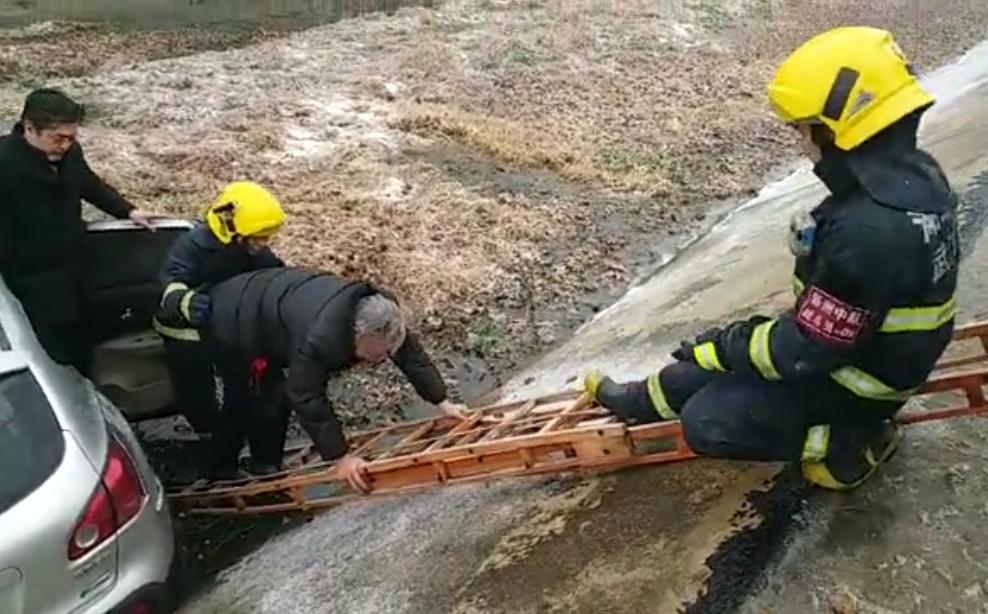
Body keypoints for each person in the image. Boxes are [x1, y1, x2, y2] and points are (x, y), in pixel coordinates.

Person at [584, 26, 959, 490]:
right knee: (711, 365)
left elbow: (803, 351)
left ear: (838, 129)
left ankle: (852, 439)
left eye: (803, 129)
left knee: (710, 421)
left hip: (862, 381)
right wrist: (725, 351)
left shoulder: (869, 231)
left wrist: (725, 345)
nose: (802, 143)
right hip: (869, 352)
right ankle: (641, 400)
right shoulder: (914, 181)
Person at [202, 267, 467, 488]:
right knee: (254, 395)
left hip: (275, 305)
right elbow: (306, 395)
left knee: (274, 395)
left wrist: (442, 402)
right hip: (233, 319)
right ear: (360, 334)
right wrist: (340, 457)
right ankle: (223, 470)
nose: (385, 357)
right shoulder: (321, 338)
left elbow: (411, 355)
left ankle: (266, 465)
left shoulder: (383, 314)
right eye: (381, 352)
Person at [0, 88, 156, 374]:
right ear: (29, 128)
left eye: (71, 137)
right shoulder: (4, 163)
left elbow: (87, 183)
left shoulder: (70, 153)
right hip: (33, 278)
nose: (65, 145)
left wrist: (128, 210)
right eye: (58, 138)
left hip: (77, 262)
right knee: (54, 350)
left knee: (87, 334)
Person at [153, 181, 287, 436]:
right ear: (232, 227)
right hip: (183, 332)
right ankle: (206, 430)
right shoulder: (190, 247)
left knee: (241, 381)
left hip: (223, 328)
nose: (263, 243)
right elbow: (167, 283)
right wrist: (186, 302)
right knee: (194, 388)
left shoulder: (251, 249)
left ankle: (234, 431)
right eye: (258, 237)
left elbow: (275, 275)